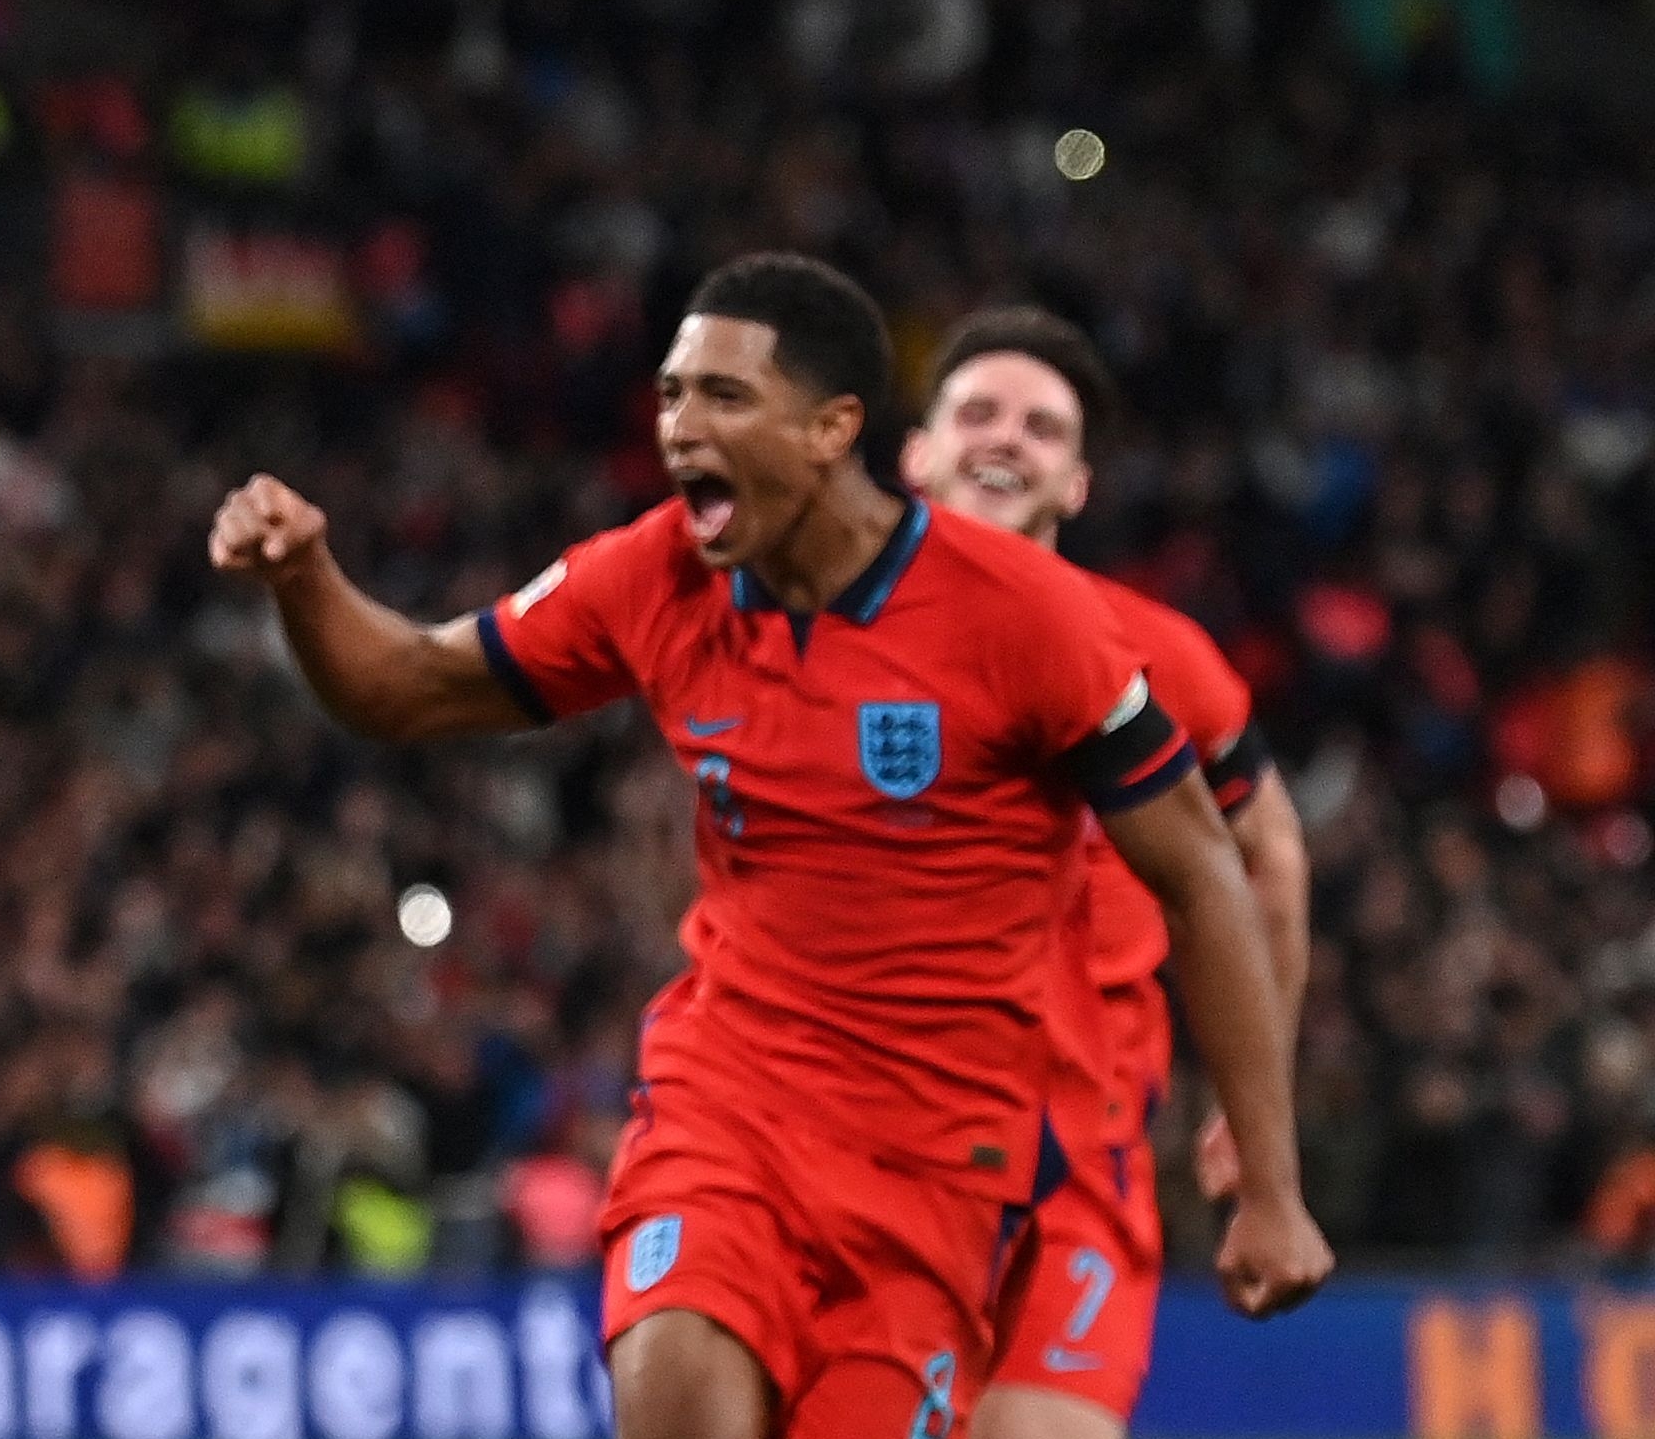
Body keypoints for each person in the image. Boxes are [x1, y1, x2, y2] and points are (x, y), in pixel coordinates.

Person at [206, 255, 1329, 1439]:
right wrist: (306, 580)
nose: (681, 427)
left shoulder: (1031, 621)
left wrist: (1268, 1178)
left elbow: (1211, 872)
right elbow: (412, 684)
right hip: (729, 1104)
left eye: (723, 398)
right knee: (678, 1372)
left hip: (936, 1169)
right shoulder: (656, 572)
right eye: (671, 395)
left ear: (831, 427)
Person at [901, 308, 1316, 1439]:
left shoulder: (1158, 656)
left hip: (1078, 1168)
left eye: (1043, 428)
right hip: (879, 1155)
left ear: (1076, 484)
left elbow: (1269, 847)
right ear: (915, 452)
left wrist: (1253, 1094)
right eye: (977, 412)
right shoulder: (822, 642)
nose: (1006, 440)